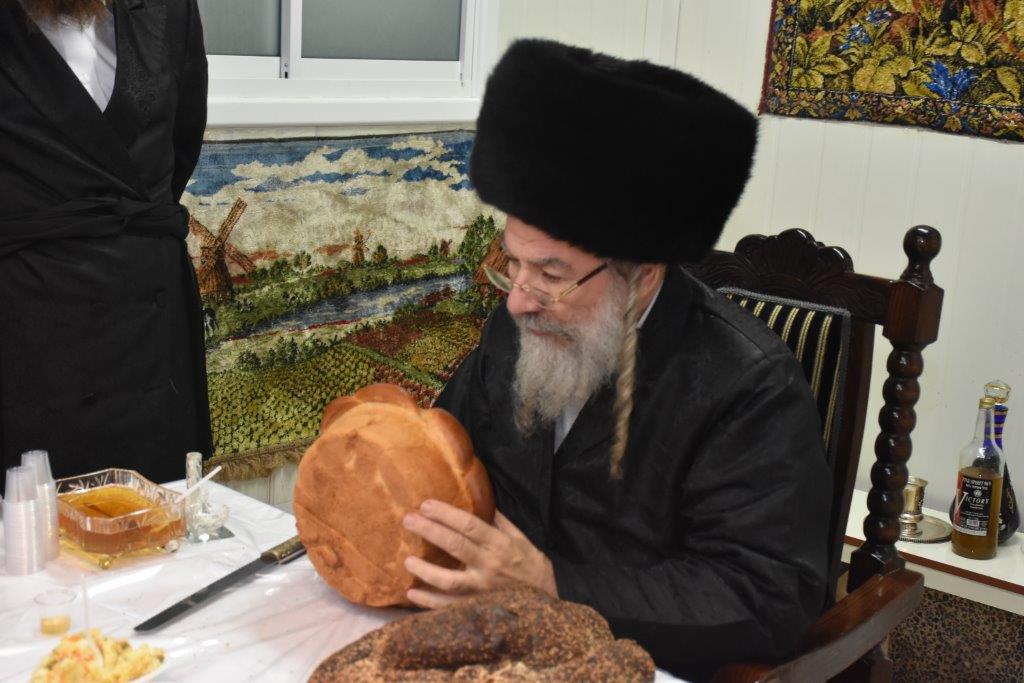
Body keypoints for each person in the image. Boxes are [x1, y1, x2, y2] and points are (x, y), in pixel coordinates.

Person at [400, 39, 832, 680]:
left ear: (645, 273)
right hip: (492, 648)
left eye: (551, 273)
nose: (518, 302)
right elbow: (448, 455)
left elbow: (767, 596)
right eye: (511, 264)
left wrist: (549, 582)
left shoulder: (748, 384)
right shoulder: (518, 324)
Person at [0, 0, 212, 490]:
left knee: (161, 535)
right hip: (29, 338)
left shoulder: (171, 9)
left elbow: (181, 142)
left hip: (152, 344)